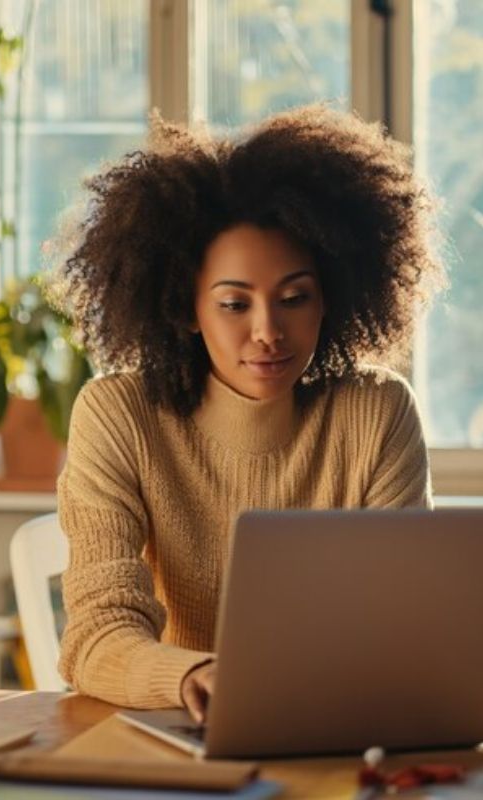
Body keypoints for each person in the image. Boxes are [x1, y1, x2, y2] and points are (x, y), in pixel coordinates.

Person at [47, 105, 444, 721]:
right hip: (177, 726)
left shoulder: (377, 412)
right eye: (235, 304)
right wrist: (195, 677)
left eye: (294, 298)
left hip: (337, 726)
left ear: (331, 298)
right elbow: (96, 636)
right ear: (184, 307)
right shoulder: (119, 415)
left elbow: (405, 621)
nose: (269, 332)